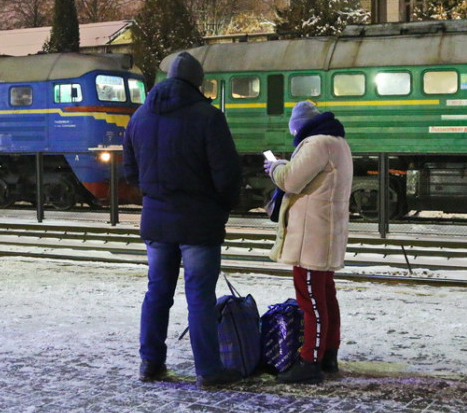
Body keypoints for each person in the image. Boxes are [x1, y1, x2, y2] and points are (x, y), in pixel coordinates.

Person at [123, 51, 243, 388]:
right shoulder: (208, 117)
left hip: (157, 221)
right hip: (198, 222)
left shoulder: (139, 117)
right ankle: (208, 370)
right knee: (200, 296)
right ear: (197, 82)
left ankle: (150, 364)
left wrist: (156, 194)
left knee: (157, 292)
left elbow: (130, 171)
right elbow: (227, 175)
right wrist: (222, 206)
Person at [263, 100, 353, 384]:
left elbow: (290, 180)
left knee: (310, 299)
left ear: (299, 126)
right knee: (325, 295)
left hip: (311, 235)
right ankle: (328, 353)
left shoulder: (316, 144)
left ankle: (309, 362)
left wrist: (275, 166)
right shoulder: (337, 142)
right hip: (324, 232)